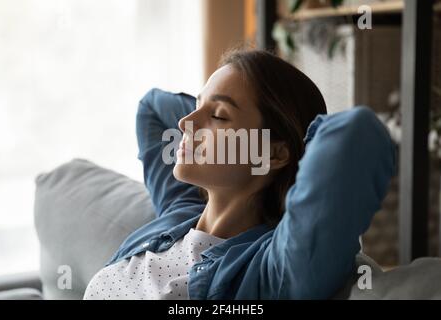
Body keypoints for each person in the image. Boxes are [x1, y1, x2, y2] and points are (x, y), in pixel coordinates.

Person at [83, 48, 395, 300]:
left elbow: (356, 134)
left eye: (219, 115)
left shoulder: (267, 269)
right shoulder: (180, 211)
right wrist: (213, 113)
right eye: (196, 106)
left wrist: (293, 147)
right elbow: (152, 108)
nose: (184, 123)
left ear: (273, 153)